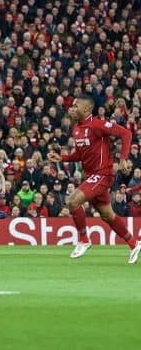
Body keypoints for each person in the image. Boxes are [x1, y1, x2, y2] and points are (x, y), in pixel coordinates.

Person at [48, 95, 141, 263]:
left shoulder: (97, 124)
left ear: (86, 109)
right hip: (91, 176)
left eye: (76, 106)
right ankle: (134, 243)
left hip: (103, 173)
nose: (72, 109)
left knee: (72, 201)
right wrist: (63, 159)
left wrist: (123, 159)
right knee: (107, 215)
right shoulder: (77, 128)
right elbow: (80, 154)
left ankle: (84, 240)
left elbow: (125, 133)